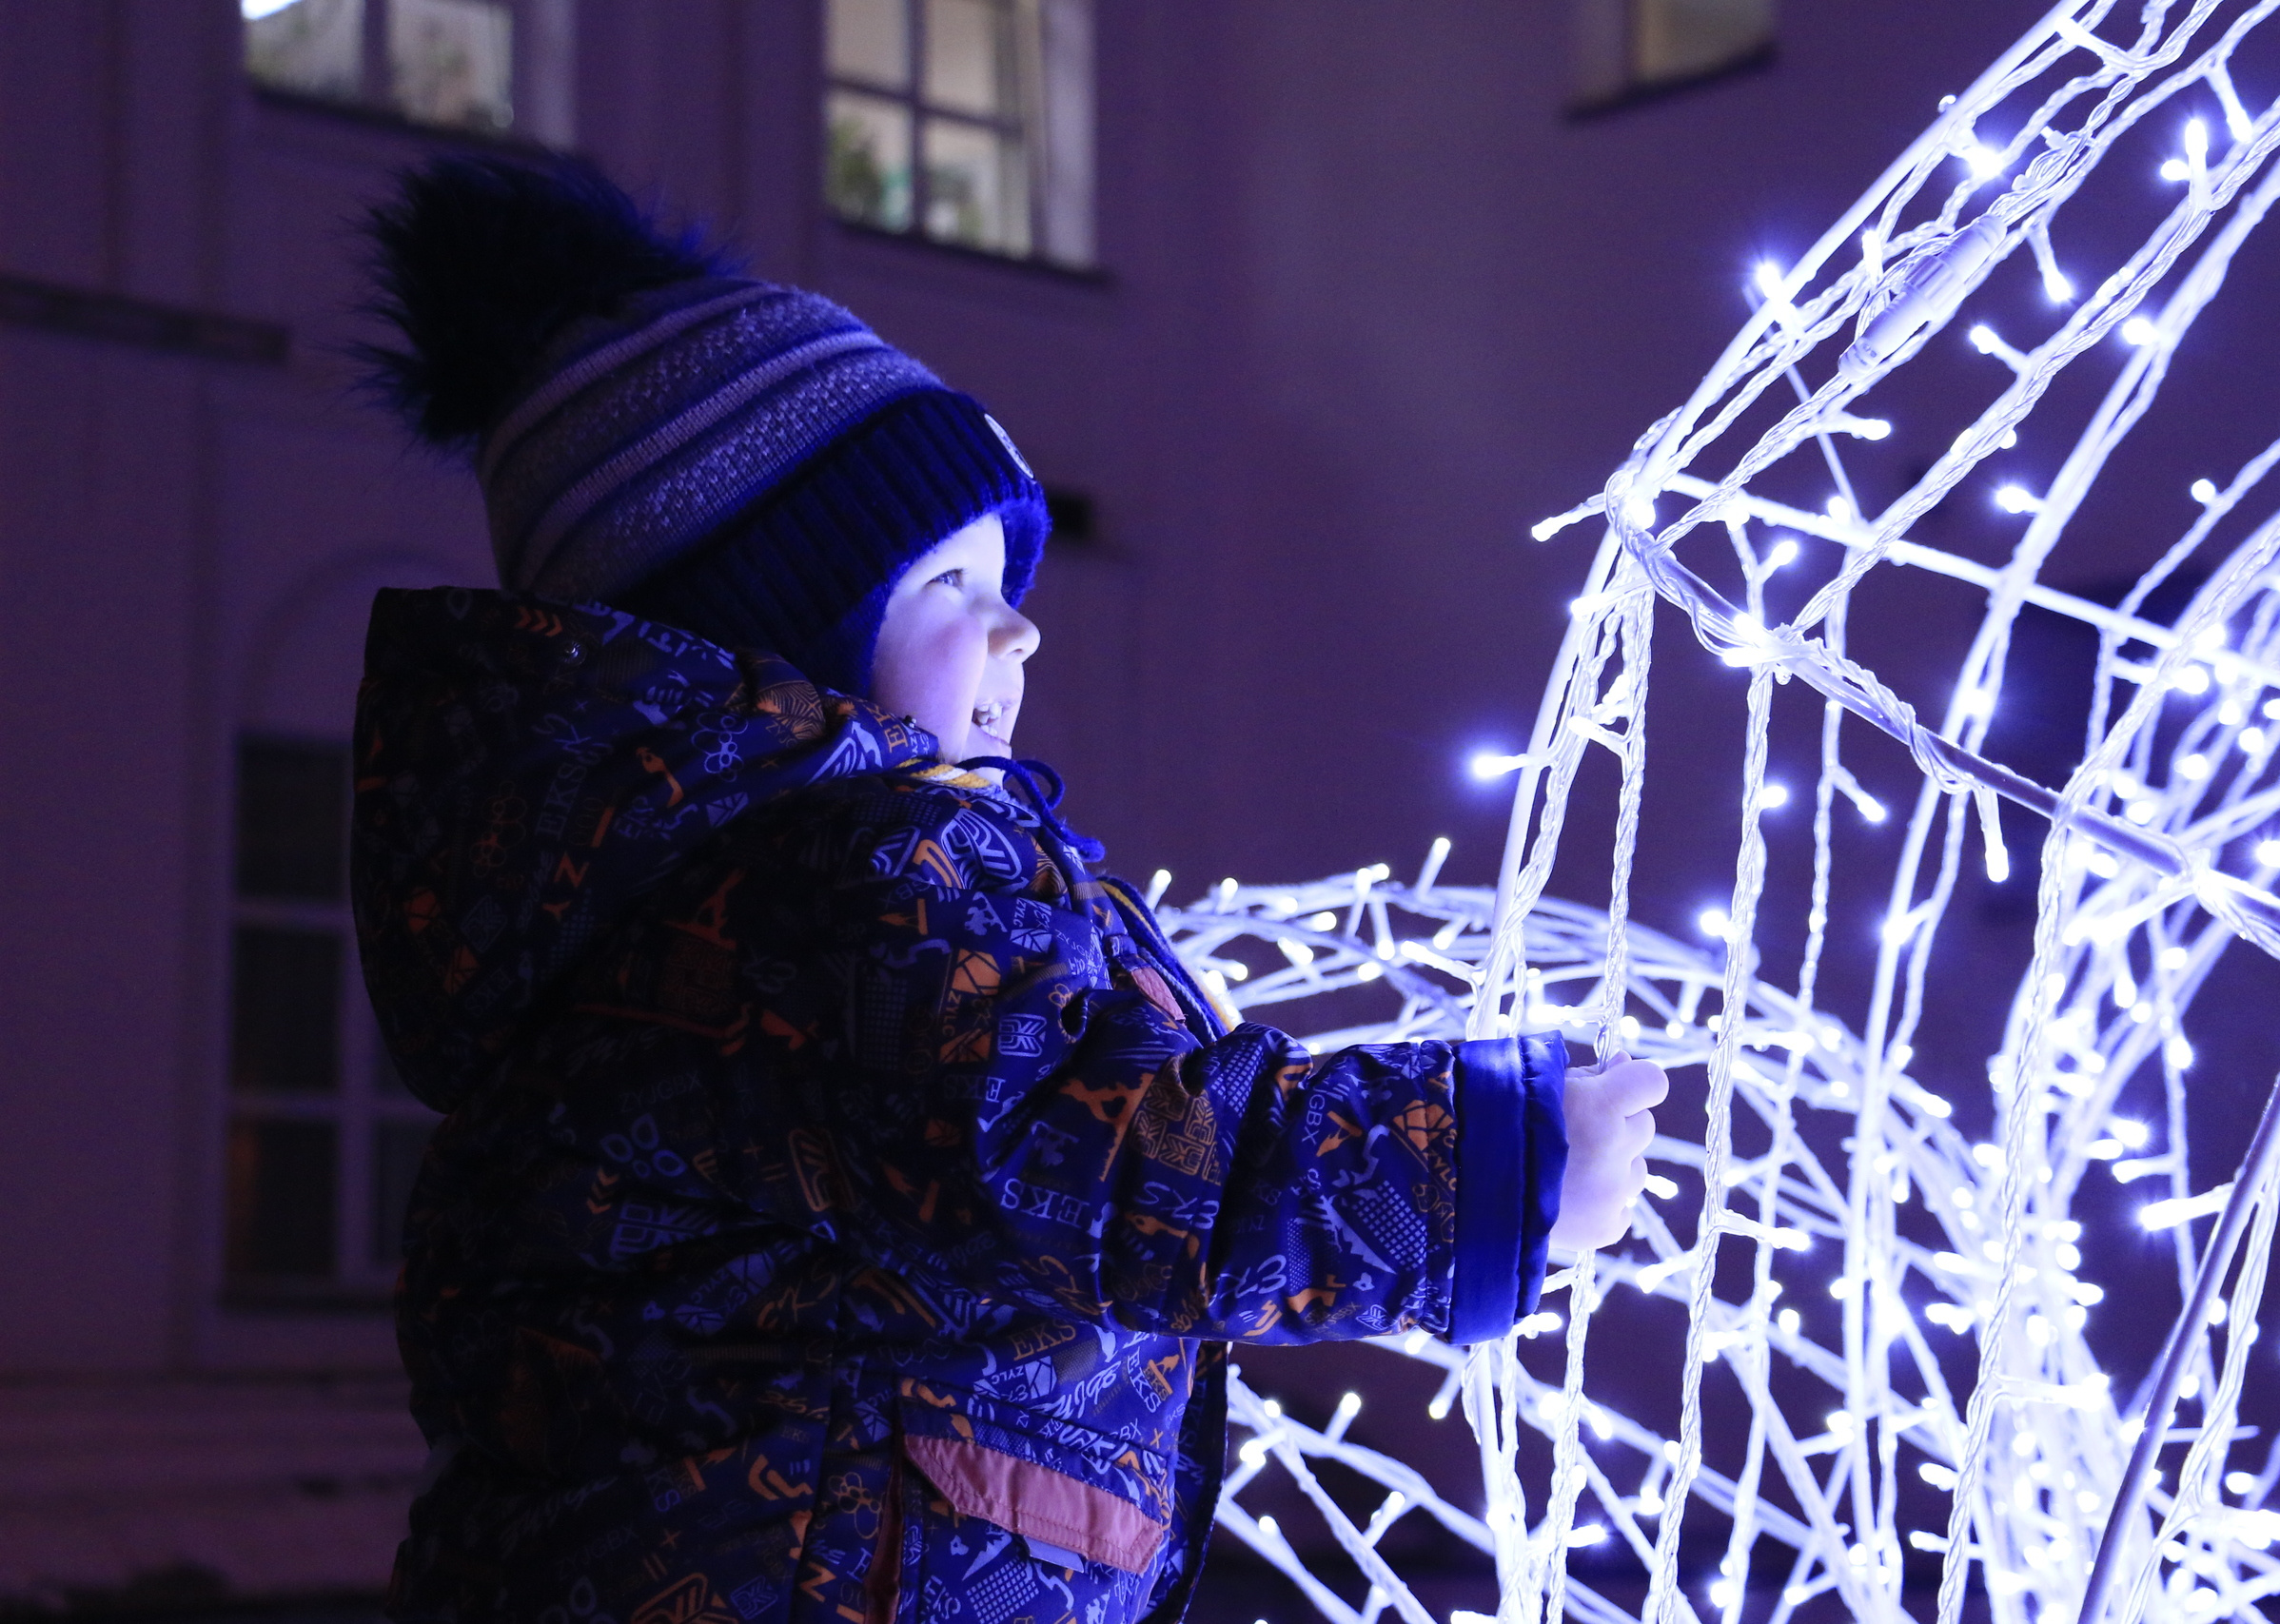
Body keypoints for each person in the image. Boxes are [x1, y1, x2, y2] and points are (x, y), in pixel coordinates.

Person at [351, 156, 1667, 1624]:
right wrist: (1486, 1157)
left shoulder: (709, 895)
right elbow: (1095, 1152)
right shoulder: (833, 888)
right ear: (768, 638)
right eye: (951, 591)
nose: (1019, 631)